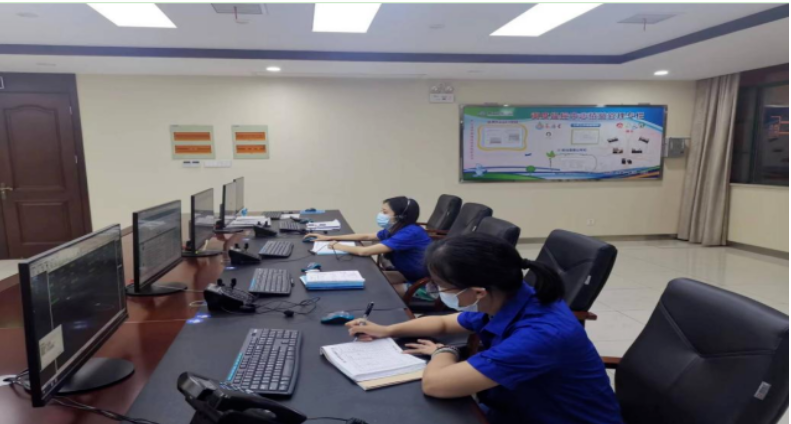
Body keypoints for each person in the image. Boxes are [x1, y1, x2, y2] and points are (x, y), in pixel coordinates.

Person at [346, 233, 622, 424]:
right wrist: (388, 330)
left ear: (478, 291)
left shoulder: (540, 334)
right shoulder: (510, 297)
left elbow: (436, 385)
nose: (436, 292)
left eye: (440, 286)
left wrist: (445, 351)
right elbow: (445, 322)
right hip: (517, 408)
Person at [303, 196, 432, 296]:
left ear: (400, 216)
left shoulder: (409, 233)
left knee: (374, 292)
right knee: (368, 279)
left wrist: (338, 246)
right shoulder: (397, 229)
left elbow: (365, 251)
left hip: (426, 286)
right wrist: (330, 238)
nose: (380, 214)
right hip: (409, 275)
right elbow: (367, 236)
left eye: (385, 212)